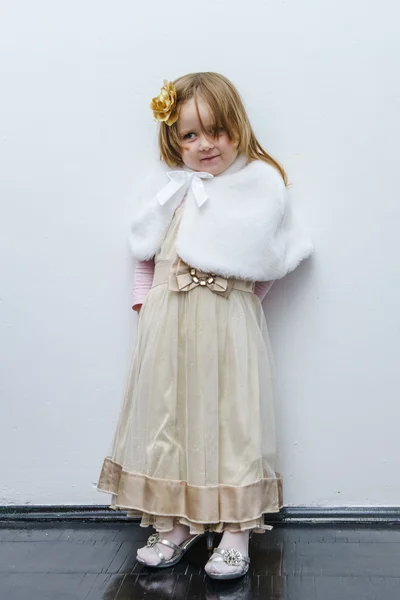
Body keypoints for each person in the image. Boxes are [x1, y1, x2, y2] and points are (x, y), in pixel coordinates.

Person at [97, 72, 313, 580]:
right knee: (168, 421)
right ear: (174, 139)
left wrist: (238, 301)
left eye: (216, 131)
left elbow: (273, 259)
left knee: (232, 423)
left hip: (226, 327)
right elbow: (145, 254)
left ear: (236, 128)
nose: (205, 144)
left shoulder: (258, 185)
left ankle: (235, 528)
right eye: (190, 135)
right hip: (167, 323)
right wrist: (143, 305)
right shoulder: (167, 188)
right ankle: (177, 523)